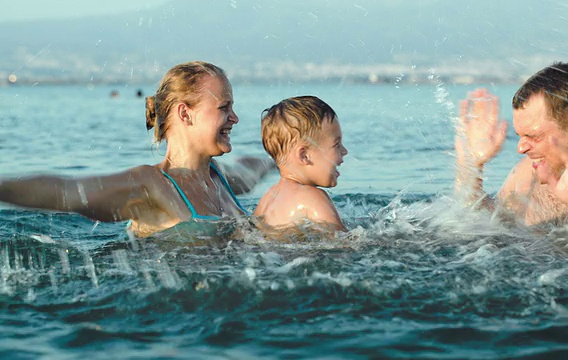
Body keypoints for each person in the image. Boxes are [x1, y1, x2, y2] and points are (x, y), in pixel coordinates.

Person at [0, 61, 273, 237]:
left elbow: (251, 168)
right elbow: (69, 192)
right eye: (224, 108)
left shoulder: (219, 177)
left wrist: (282, 157)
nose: (235, 118)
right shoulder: (152, 185)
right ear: (185, 114)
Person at [455, 61, 568, 237]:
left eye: (533, 136)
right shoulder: (528, 172)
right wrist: (471, 168)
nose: (520, 148)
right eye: (520, 136)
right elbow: (488, 224)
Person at [253, 95, 348, 234]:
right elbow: (344, 243)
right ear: (304, 156)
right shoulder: (314, 198)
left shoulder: (269, 196)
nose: (345, 151)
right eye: (337, 145)